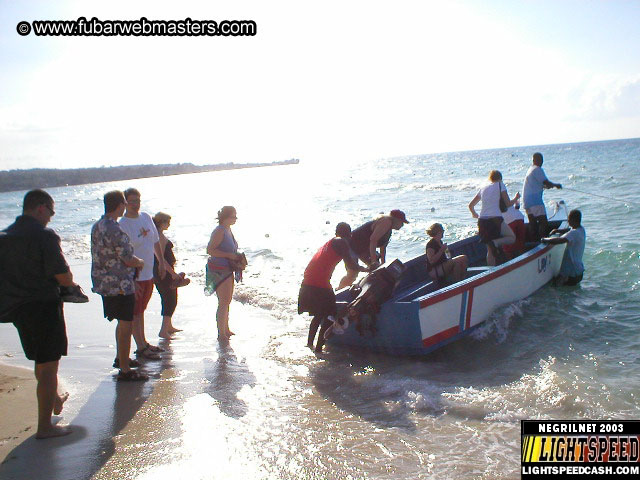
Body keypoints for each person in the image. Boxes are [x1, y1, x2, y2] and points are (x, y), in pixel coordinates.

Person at [0, 189, 77, 438]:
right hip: (43, 307)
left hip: (17, 309)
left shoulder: (5, 236)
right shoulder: (44, 235)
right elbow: (63, 276)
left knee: (40, 361)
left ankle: (54, 400)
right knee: (48, 366)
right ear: (41, 208)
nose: (51, 217)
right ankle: (45, 427)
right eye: (51, 212)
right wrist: (71, 287)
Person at [91, 191, 147, 381]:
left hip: (104, 282)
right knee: (126, 323)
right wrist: (140, 262)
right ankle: (124, 369)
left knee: (121, 322)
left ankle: (121, 358)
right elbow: (126, 258)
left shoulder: (97, 226)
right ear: (120, 205)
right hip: (120, 283)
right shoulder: (113, 228)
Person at [298, 222, 369, 353]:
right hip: (319, 283)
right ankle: (319, 349)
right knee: (330, 315)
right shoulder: (341, 242)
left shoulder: (331, 242)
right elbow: (351, 265)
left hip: (308, 282)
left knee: (319, 314)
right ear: (349, 234)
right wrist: (368, 268)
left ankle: (309, 344)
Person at [118, 188, 167, 359]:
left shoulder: (145, 217)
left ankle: (144, 342)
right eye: (131, 201)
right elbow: (123, 253)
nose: (135, 204)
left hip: (148, 273)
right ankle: (140, 346)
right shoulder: (123, 224)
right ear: (125, 203)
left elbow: (155, 241)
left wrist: (161, 262)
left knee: (141, 311)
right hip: (134, 275)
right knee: (135, 312)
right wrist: (130, 276)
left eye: (137, 201)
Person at [338, 209, 409, 289]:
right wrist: (373, 261)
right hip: (352, 245)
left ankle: (371, 289)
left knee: (377, 269)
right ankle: (339, 289)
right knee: (353, 274)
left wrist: (383, 264)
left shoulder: (389, 230)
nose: (402, 225)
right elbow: (373, 240)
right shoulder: (386, 222)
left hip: (363, 248)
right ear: (395, 220)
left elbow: (383, 248)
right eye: (401, 222)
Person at [205, 206, 243, 341]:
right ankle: (221, 332)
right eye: (234, 216)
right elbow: (210, 250)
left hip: (227, 268)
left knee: (227, 300)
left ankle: (225, 328)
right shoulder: (219, 231)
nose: (236, 219)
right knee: (223, 301)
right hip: (219, 269)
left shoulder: (228, 229)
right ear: (226, 217)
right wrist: (229, 255)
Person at [468, 170, 519, 266]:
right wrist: (516, 199)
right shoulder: (500, 185)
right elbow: (508, 204)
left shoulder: (483, 188)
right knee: (512, 237)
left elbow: (471, 205)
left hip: (482, 221)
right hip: (495, 219)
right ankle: (495, 242)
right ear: (500, 178)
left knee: (490, 250)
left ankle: (491, 270)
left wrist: (474, 214)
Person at [152, 212, 188, 339]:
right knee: (170, 299)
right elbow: (160, 257)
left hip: (160, 270)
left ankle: (169, 326)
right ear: (162, 222)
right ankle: (163, 330)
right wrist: (173, 274)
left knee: (167, 297)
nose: (169, 224)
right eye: (168, 222)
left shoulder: (157, 234)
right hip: (163, 271)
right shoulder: (158, 235)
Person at [522, 152, 562, 241]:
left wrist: (549, 185)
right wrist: (556, 185)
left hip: (526, 201)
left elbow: (542, 184)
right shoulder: (537, 169)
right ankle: (543, 240)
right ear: (536, 160)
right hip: (535, 201)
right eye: (540, 160)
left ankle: (534, 241)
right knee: (543, 222)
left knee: (532, 223)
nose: (541, 162)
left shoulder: (530, 169)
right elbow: (546, 182)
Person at [542, 209, 585, 286]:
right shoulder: (581, 230)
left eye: (569, 220)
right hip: (579, 272)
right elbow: (569, 230)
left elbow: (560, 240)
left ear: (574, 220)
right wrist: (558, 230)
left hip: (572, 273)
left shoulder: (574, 233)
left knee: (554, 287)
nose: (568, 222)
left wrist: (545, 239)